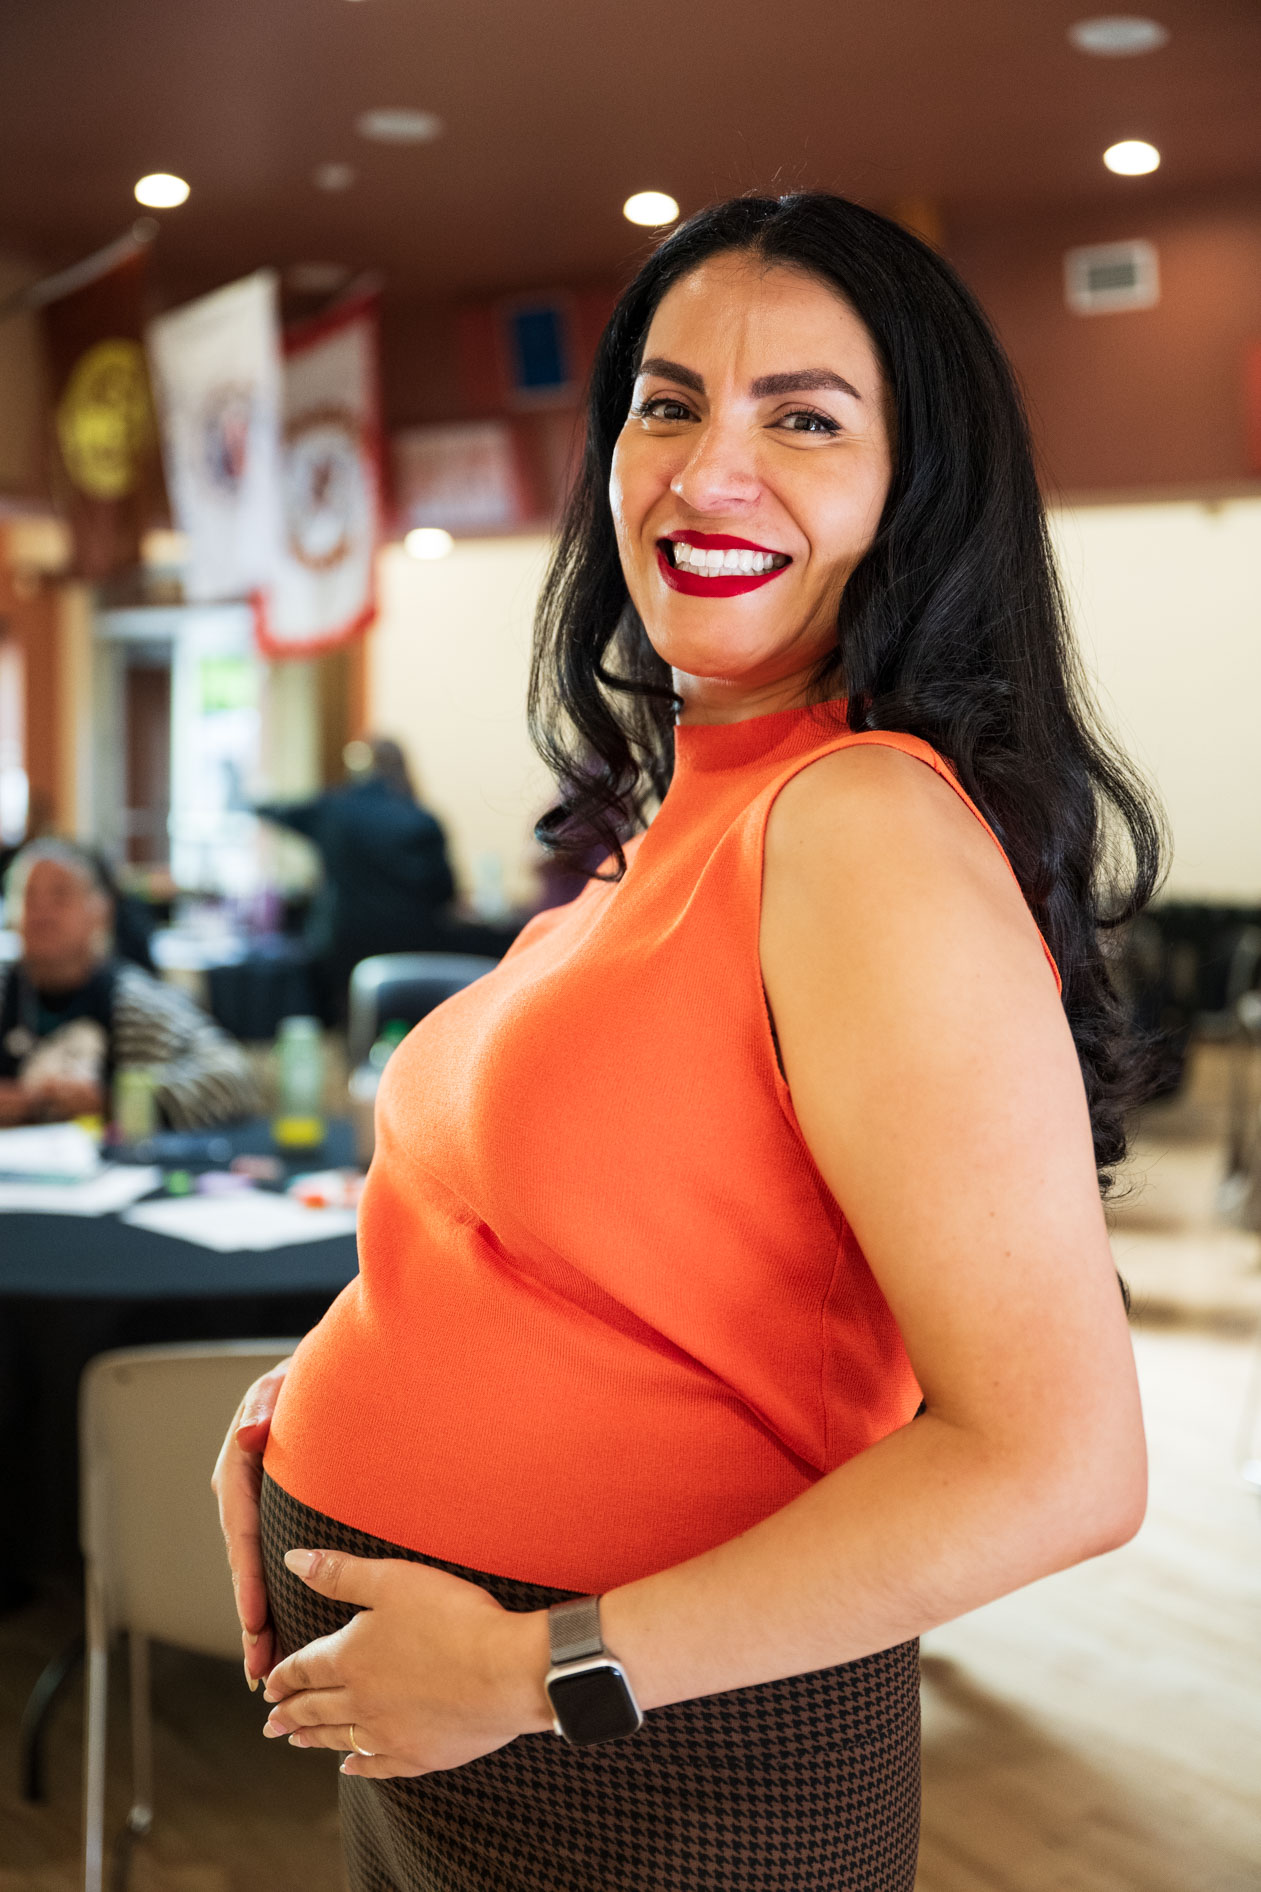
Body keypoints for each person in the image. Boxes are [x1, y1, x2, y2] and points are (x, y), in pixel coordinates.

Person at [214, 194, 1161, 1891]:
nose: (704, 469)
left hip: (645, 1760)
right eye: (668, 403)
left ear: (913, 487)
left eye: (802, 417)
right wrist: (319, 1394)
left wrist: (535, 1668)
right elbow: (600, 1248)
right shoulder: (685, 824)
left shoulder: (859, 821)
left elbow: (1062, 1463)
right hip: (454, 1724)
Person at [0, 838, 258, 1130]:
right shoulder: (6, 989)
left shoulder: (132, 1001)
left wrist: (115, 1104)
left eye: (60, 896)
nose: (41, 912)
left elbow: (233, 1078)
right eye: (27, 896)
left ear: (101, 910)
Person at [255, 737, 459, 1023]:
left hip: (342, 946)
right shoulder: (423, 820)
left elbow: (280, 812)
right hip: (412, 947)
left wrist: (248, 800)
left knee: (347, 1024)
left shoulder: (334, 811)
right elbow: (446, 892)